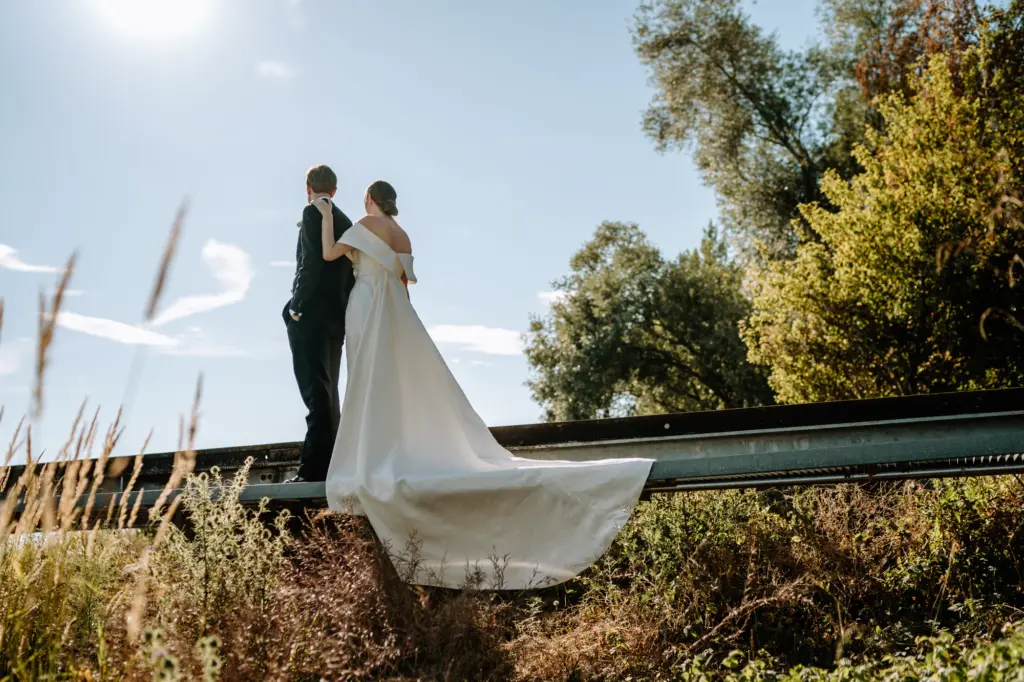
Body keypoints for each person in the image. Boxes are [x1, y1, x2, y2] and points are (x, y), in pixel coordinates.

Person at [313, 179, 654, 590]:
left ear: (370, 200)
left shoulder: (364, 223)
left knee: (365, 383)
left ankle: (367, 453)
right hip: (395, 313)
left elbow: (329, 253)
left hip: (366, 305)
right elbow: (405, 284)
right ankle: (390, 448)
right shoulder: (402, 233)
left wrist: (327, 215)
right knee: (394, 384)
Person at [282, 165, 355, 483]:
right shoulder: (346, 221)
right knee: (329, 394)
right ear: (335, 191)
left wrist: (296, 306)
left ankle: (311, 471)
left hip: (310, 316)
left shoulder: (313, 213)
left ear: (307, 187)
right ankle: (329, 468)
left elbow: (309, 264)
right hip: (336, 320)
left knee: (316, 393)